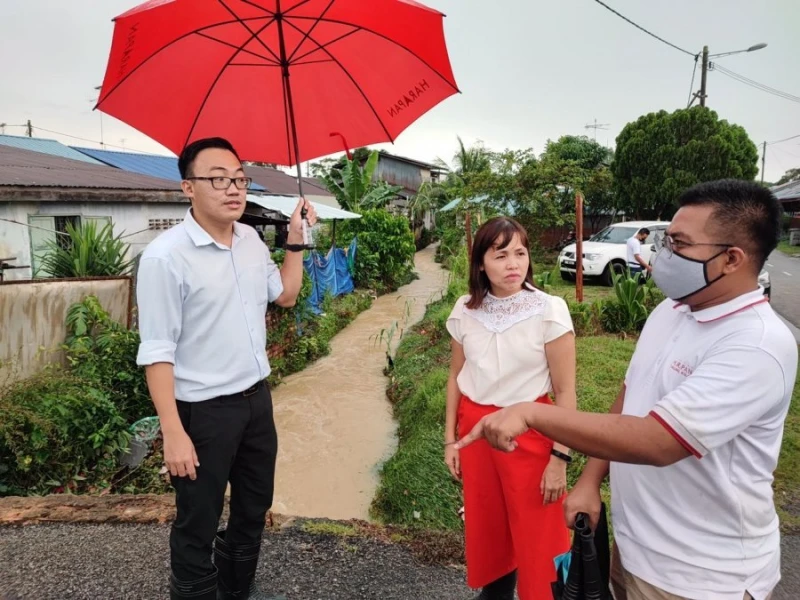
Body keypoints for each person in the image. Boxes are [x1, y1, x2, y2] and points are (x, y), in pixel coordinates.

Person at [456, 180, 798, 600]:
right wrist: (591, 479)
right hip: (633, 549)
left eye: (679, 243)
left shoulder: (757, 345)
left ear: (731, 258)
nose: (662, 253)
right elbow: (628, 397)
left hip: (704, 576)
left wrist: (530, 413)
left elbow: (658, 441)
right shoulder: (671, 312)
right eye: (665, 240)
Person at [136, 137, 317, 600]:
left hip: (256, 402)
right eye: (217, 178)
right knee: (198, 518)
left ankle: (235, 589)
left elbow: (286, 295)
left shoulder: (252, 241)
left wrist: (295, 238)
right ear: (188, 188)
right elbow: (157, 351)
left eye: (239, 178)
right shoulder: (165, 256)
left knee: (254, 507)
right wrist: (172, 431)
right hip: (203, 412)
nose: (232, 188)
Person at [445, 217, 576, 599]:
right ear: (480, 263)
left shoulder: (549, 310)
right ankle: (497, 591)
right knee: (490, 526)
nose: (513, 264)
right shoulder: (465, 310)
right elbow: (455, 376)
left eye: (520, 253)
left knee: (540, 534)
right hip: (476, 432)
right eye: (500, 255)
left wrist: (559, 459)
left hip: (532, 435)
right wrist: (449, 440)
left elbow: (566, 393)